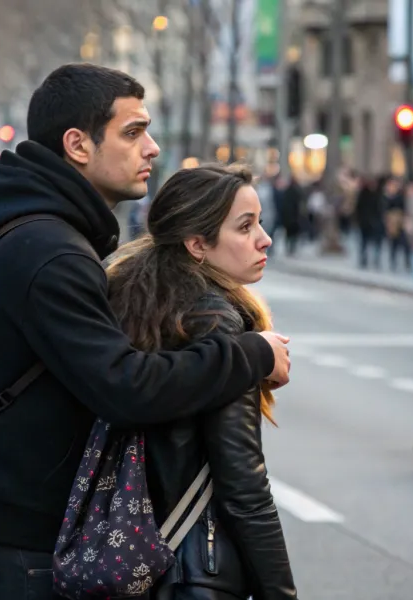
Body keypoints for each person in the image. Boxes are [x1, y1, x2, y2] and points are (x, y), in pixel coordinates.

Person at [0, 64, 291, 600]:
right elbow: (124, 386)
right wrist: (252, 353)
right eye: (133, 132)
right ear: (77, 144)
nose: (153, 149)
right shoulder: (50, 251)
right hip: (8, 552)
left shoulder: (32, 227)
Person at [107, 164, 298, 600]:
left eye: (261, 222)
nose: (264, 238)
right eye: (245, 226)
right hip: (191, 571)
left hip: (122, 558)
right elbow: (244, 488)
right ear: (197, 244)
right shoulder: (218, 325)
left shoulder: (130, 303)